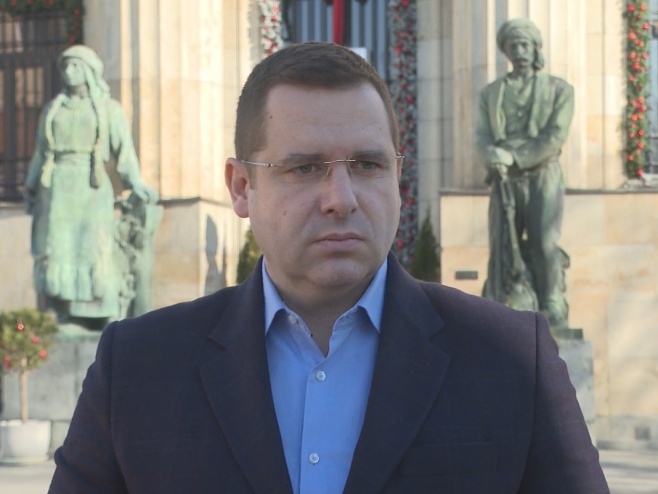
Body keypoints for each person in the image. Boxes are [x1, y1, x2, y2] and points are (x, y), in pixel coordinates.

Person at [48, 41, 608, 493]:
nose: (341, 198)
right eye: (304, 168)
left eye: (367, 165)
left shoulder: (512, 357)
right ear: (241, 187)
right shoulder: (138, 366)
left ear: (397, 177)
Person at [25, 45, 157, 327]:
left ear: (89, 70)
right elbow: (40, 152)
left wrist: (135, 182)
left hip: (92, 187)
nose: (69, 72)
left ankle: (100, 313)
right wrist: (31, 185)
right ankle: (66, 314)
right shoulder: (53, 109)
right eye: (65, 66)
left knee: (94, 249)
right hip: (57, 189)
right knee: (60, 249)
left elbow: (124, 152)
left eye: (75, 66)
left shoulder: (109, 109)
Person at [477, 19, 574, 331]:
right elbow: (482, 137)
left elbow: (555, 136)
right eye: (513, 46)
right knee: (503, 244)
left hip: (543, 174)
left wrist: (515, 156)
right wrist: (493, 156)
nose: (519, 51)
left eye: (524, 45)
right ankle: (504, 302)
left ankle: (552, 301)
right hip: (504, 178)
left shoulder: (560, 90)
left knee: (544, 242)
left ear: (535, 49)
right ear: (506, 51)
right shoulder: (491, 94)